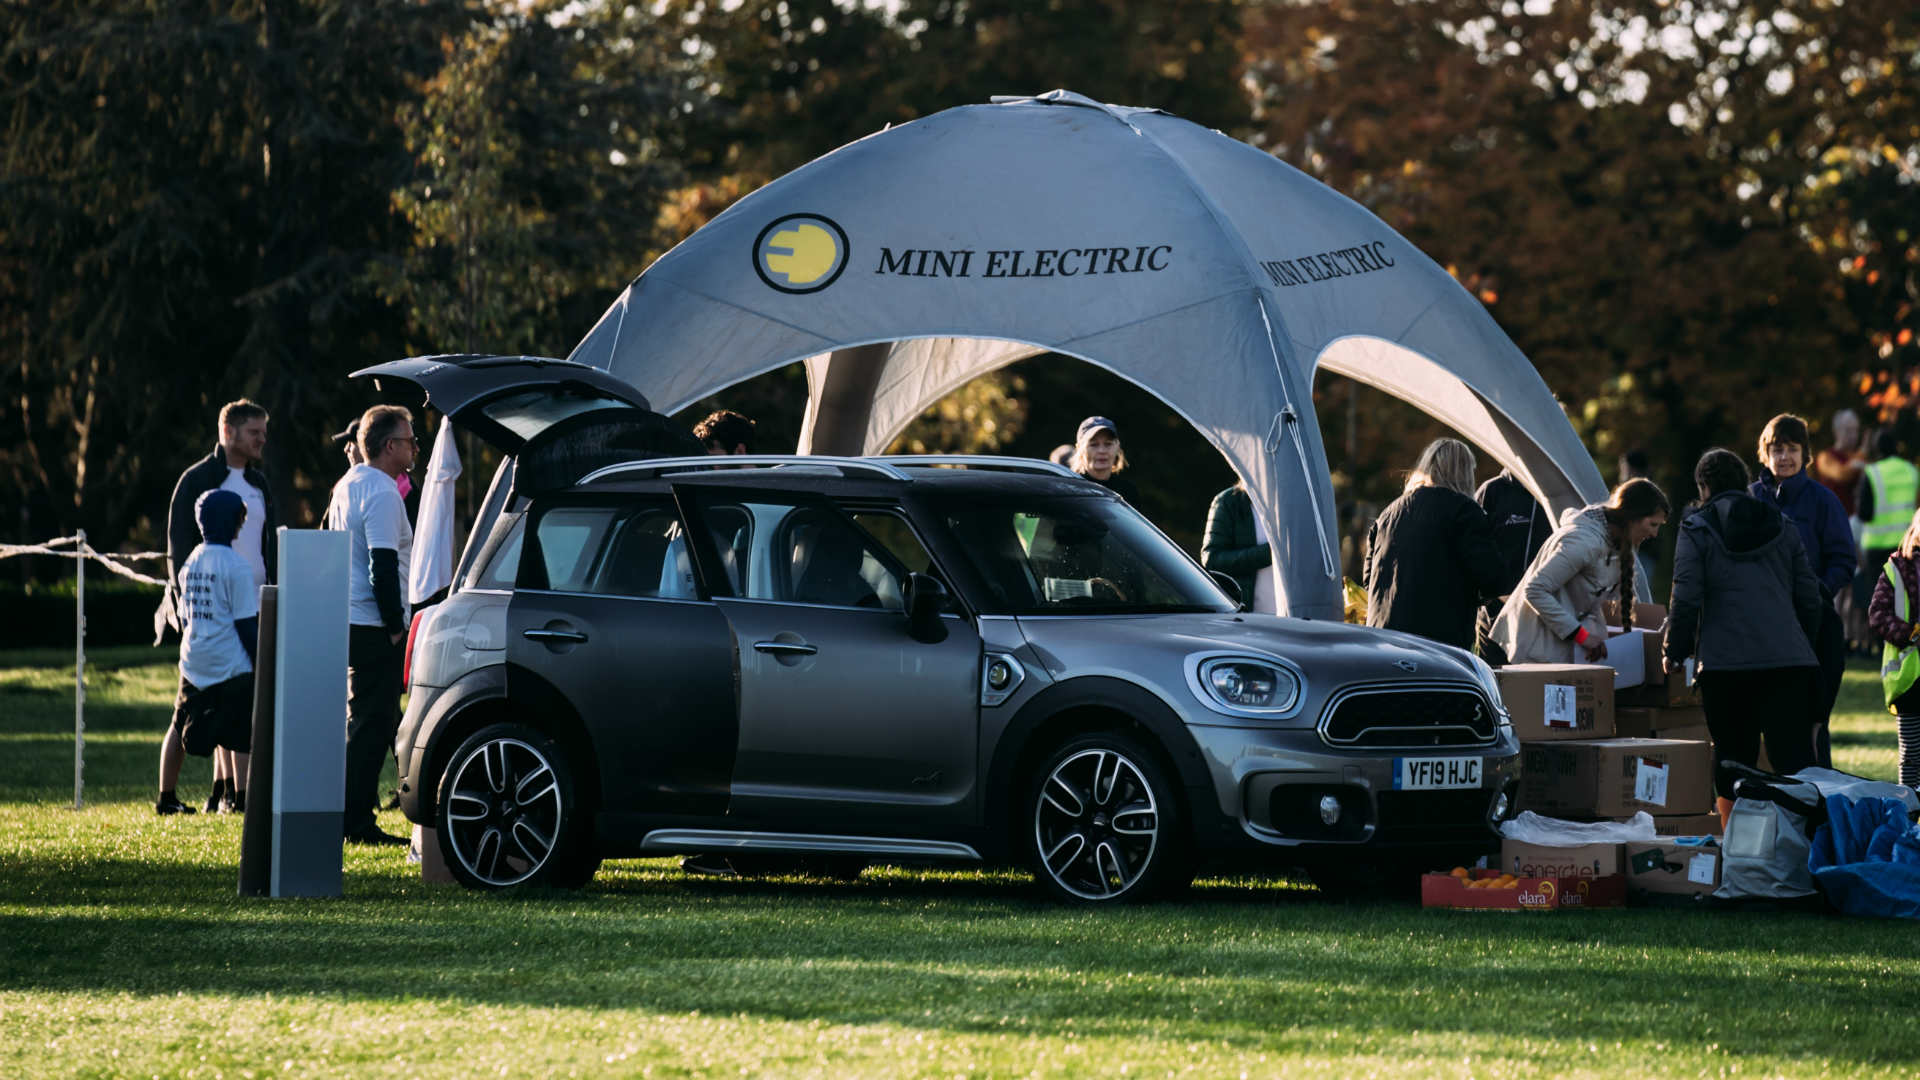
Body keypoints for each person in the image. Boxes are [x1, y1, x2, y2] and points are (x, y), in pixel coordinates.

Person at [1664, 449, 1822, 827]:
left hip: (1727, 665)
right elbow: (1809, 597)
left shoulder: (1697, 529)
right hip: (1789, 662)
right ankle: (1807, 851)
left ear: (1703, 486)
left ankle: (1738, 851)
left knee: (1734, 762)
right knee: (1796, 763)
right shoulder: (1783, 525)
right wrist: (1801, 642)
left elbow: (1685, 596)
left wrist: (1675, 649)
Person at [155, 399, 275, 813]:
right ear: (229, 433)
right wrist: (184, 610)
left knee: (232, 705)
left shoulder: (260, 484)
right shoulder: (198, 481)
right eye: (254, 432)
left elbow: (267, 546)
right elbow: (178, 547)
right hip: (218, 615)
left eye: (263, 431)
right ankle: (227, 791)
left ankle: (225, 792)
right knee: (232, 708)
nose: (262, 439)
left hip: (255, 601)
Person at [325, 404, 417, 846]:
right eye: (410, 438)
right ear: (388, 446)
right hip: (374, 624)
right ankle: (354, 822)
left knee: (369, 721)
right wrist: (396, 626)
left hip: (352, 618)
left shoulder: (347, 484)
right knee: (370, 725)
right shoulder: (381, 492)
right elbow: (383, 562)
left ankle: (355, 815)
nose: (415, 446)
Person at [1750, 413, 1855, 765]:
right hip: (1761, 626)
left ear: (1805, 454)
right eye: (1777, 449)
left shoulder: (1823, 501)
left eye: (1792, 449)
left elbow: (1843, 558)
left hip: (1813, 625)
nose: (1784, 457)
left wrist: (1818, 593)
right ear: (1765, 454)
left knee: (1813, 720)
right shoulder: (1750, 500)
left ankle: (1818, 797)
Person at [1490, 478, 1670, 665]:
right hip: (1535, 651)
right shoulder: (1582, 542)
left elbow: (1619, 601)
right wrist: (1582, 636)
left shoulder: (1616, 545)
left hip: (1561, 652)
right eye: (1653, 524)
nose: (1654, 534)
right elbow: (1534, 590)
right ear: (1633, 516)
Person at [159, 490, 260, 814]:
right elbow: (246, 625)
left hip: (193, 659)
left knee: (178, 725)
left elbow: (186, 616)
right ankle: (242, 800)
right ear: (229, 520)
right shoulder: (236, 567)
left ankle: (167, 796)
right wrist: (262, 662)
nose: (241, 525)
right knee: (242, 730)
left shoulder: (191, 561)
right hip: (230, 662)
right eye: (240, 519)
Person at [1361, 438, 1508, 651]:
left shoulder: (1387, 514)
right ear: (1465, 473)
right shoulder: (1464, 511)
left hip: (1384, 640)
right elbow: (1493, 578)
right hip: (1438, 645)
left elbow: (1369, 579)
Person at [1473, 467, 1550, 664]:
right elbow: (1475, 553)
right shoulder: (1491, 491)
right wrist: (1500, 594)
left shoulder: (1553, 493)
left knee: (1535, 689)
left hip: (1542, 618)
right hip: (1495, 619)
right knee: (1497, 686)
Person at [1867, 509, 1920, 789]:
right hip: (1908, 678)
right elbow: (1877, 614)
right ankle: (1910, 818)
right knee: (1912, 755)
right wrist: (1909, 634)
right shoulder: (1897, 568)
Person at [1202, 481, 1272, 613]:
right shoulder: (1229, 501)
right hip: (1250, 616)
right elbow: (1212, 559)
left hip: (1293, 617)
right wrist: (1270, 554)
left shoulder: (1296, 502)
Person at [1812, 408, 1866, 519]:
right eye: (1848, 430)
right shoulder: (1825, 457)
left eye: (1855, 430)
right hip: (1833, 521)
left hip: (1857, 523)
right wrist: (1860, 460)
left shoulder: (1859, 456)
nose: (1853, 435)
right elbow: (1841, 474)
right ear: (1836, 430)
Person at [1069, 416, 1138, 503]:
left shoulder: (1128, 492)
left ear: (1117, 446)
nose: (1102, 451)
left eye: (1108, 444)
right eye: (1094, 445)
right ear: (1079, 448)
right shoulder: (1070, 489)